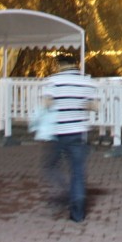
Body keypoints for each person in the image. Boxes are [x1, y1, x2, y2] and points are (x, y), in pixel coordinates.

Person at [41, 52, 99, 223]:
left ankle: (65, 191)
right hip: (78, 132)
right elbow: (95, 106)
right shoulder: (85, 81)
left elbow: (46, 104)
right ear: (74, 64)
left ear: (59, 65)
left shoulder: (53, 81)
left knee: (50, 166)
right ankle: (78, 213)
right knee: (78, 172)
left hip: (58, 132)